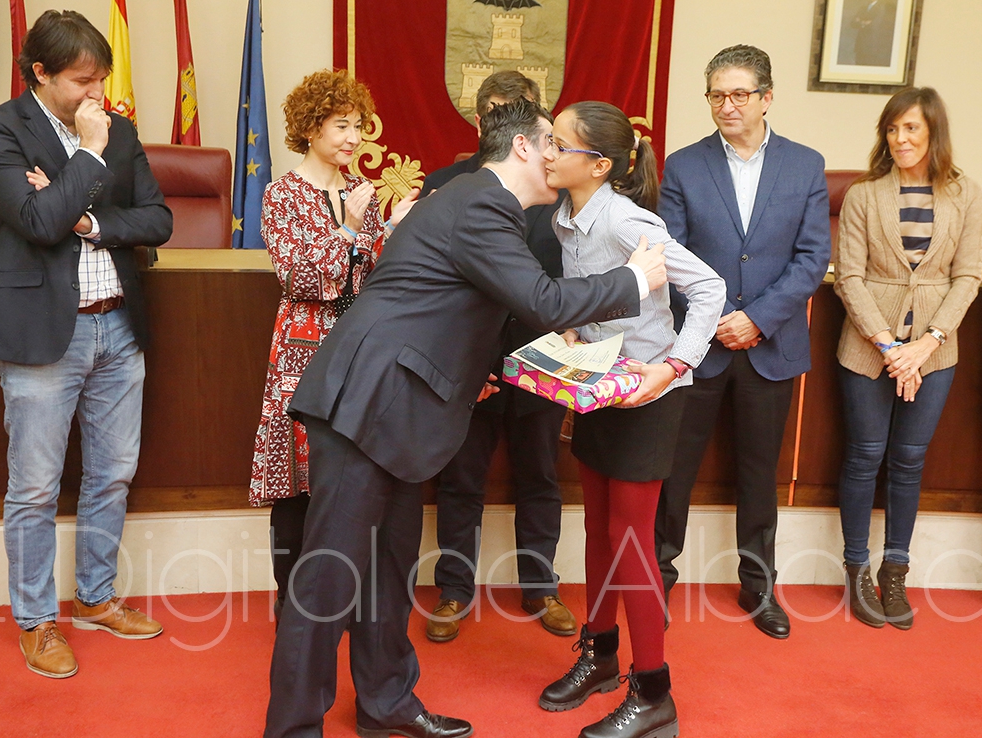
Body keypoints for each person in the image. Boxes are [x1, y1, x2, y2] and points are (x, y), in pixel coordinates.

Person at [263, 98, 669, 738]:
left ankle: (385, 705)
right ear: (524, 147)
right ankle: (291, 729)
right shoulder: (482, 204)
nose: (558, 156)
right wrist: (634, 279)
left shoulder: (483, 204)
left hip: (398, 412)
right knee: (328, 581)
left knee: (388, 574)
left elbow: (473, 306)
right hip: (368, 405)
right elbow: (540, 300)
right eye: (551, 142)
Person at [0, 10, 173, 679]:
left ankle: (96, 598)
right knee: (34, 487)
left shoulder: (120, 129)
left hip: (119, 326)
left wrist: (83, 216)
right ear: (41, 73)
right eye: (83, 81)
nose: (96, 94)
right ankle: (36, 620)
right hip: (40, 333)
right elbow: (36, 222)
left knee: (113, 473)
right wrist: (86, 154)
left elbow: (158, 220)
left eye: (100, 79)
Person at [537, 102, 724, 738]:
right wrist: (572, 332)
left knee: (631, 539)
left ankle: (654, 692)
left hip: (649, 393)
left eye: (559, 144)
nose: (547, 152)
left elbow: (710, 289)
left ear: (599, 164)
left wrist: (673, 366)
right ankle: (600, 654)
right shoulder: (565, 215)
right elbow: (596, 298)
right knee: (597, 529)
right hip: (599, 385)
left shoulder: (627, 220)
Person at [655, 44, 831, 640]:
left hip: (769, 346)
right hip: (697, 346)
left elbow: (812, 259)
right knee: (674, 471)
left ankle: (759, 585)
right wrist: (715, 318)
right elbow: (671, 255)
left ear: (766, 97)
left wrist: (755, 317)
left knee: (759, 474)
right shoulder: (684, 166)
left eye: (738, 94)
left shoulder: (805, 165)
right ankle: (657, 578)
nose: (726, 105)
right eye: (716, 95)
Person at [249, 69, 415, 625]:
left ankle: (340, 600)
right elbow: (299, 277)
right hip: (303, 351)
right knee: (298, 484)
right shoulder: (282, 194)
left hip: (360, 350)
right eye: (341, 125)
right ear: (310, 127)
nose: (353, 137)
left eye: (358, 126)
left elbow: (372, 278)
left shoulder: (360, 192)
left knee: (347, 477)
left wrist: (391, 230)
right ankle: (292, 603)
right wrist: (347, 228)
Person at [422, 72, 578, 641]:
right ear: (477, 119)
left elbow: (565, 275)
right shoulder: (446, 185)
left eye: (516, 110)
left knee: (540, 476)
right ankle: (453, 591)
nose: (502, 119)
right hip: (468, 363)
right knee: (461, 480)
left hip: (541, 357)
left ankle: (541, 587)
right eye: (492, 110)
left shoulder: (558, 190)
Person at [833, 87, 982, 629]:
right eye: (893, 129)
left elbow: (967, 276)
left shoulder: (965, 194)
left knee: (909, 460)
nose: (900, 138)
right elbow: (849, 276)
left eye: (912, 128)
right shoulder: (863, 194)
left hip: (935, 352)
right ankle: (857, 568)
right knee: (863, 456)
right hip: (867, 348)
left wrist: (926, 344)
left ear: (933, 132)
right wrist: (889, 346)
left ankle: (894, 571)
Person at [851, 0, 894, 67]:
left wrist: (860, 21)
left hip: (873, 44)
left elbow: (877, 24)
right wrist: (864, 22)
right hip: (861, 44)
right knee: (859, 66)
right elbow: (853, 23)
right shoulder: (863, 7)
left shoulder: (882, 8)